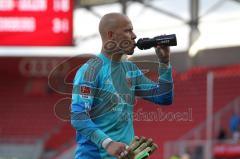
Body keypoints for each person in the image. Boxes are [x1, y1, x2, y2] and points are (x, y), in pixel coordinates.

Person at [71, 12, 174, 159]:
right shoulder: (91, 70)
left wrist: (164, 63)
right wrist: (108, 143)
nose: (134, 35)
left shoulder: (130, 69)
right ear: (111, 35)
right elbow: (78, 116)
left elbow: (164, 97)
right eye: (128, 30)